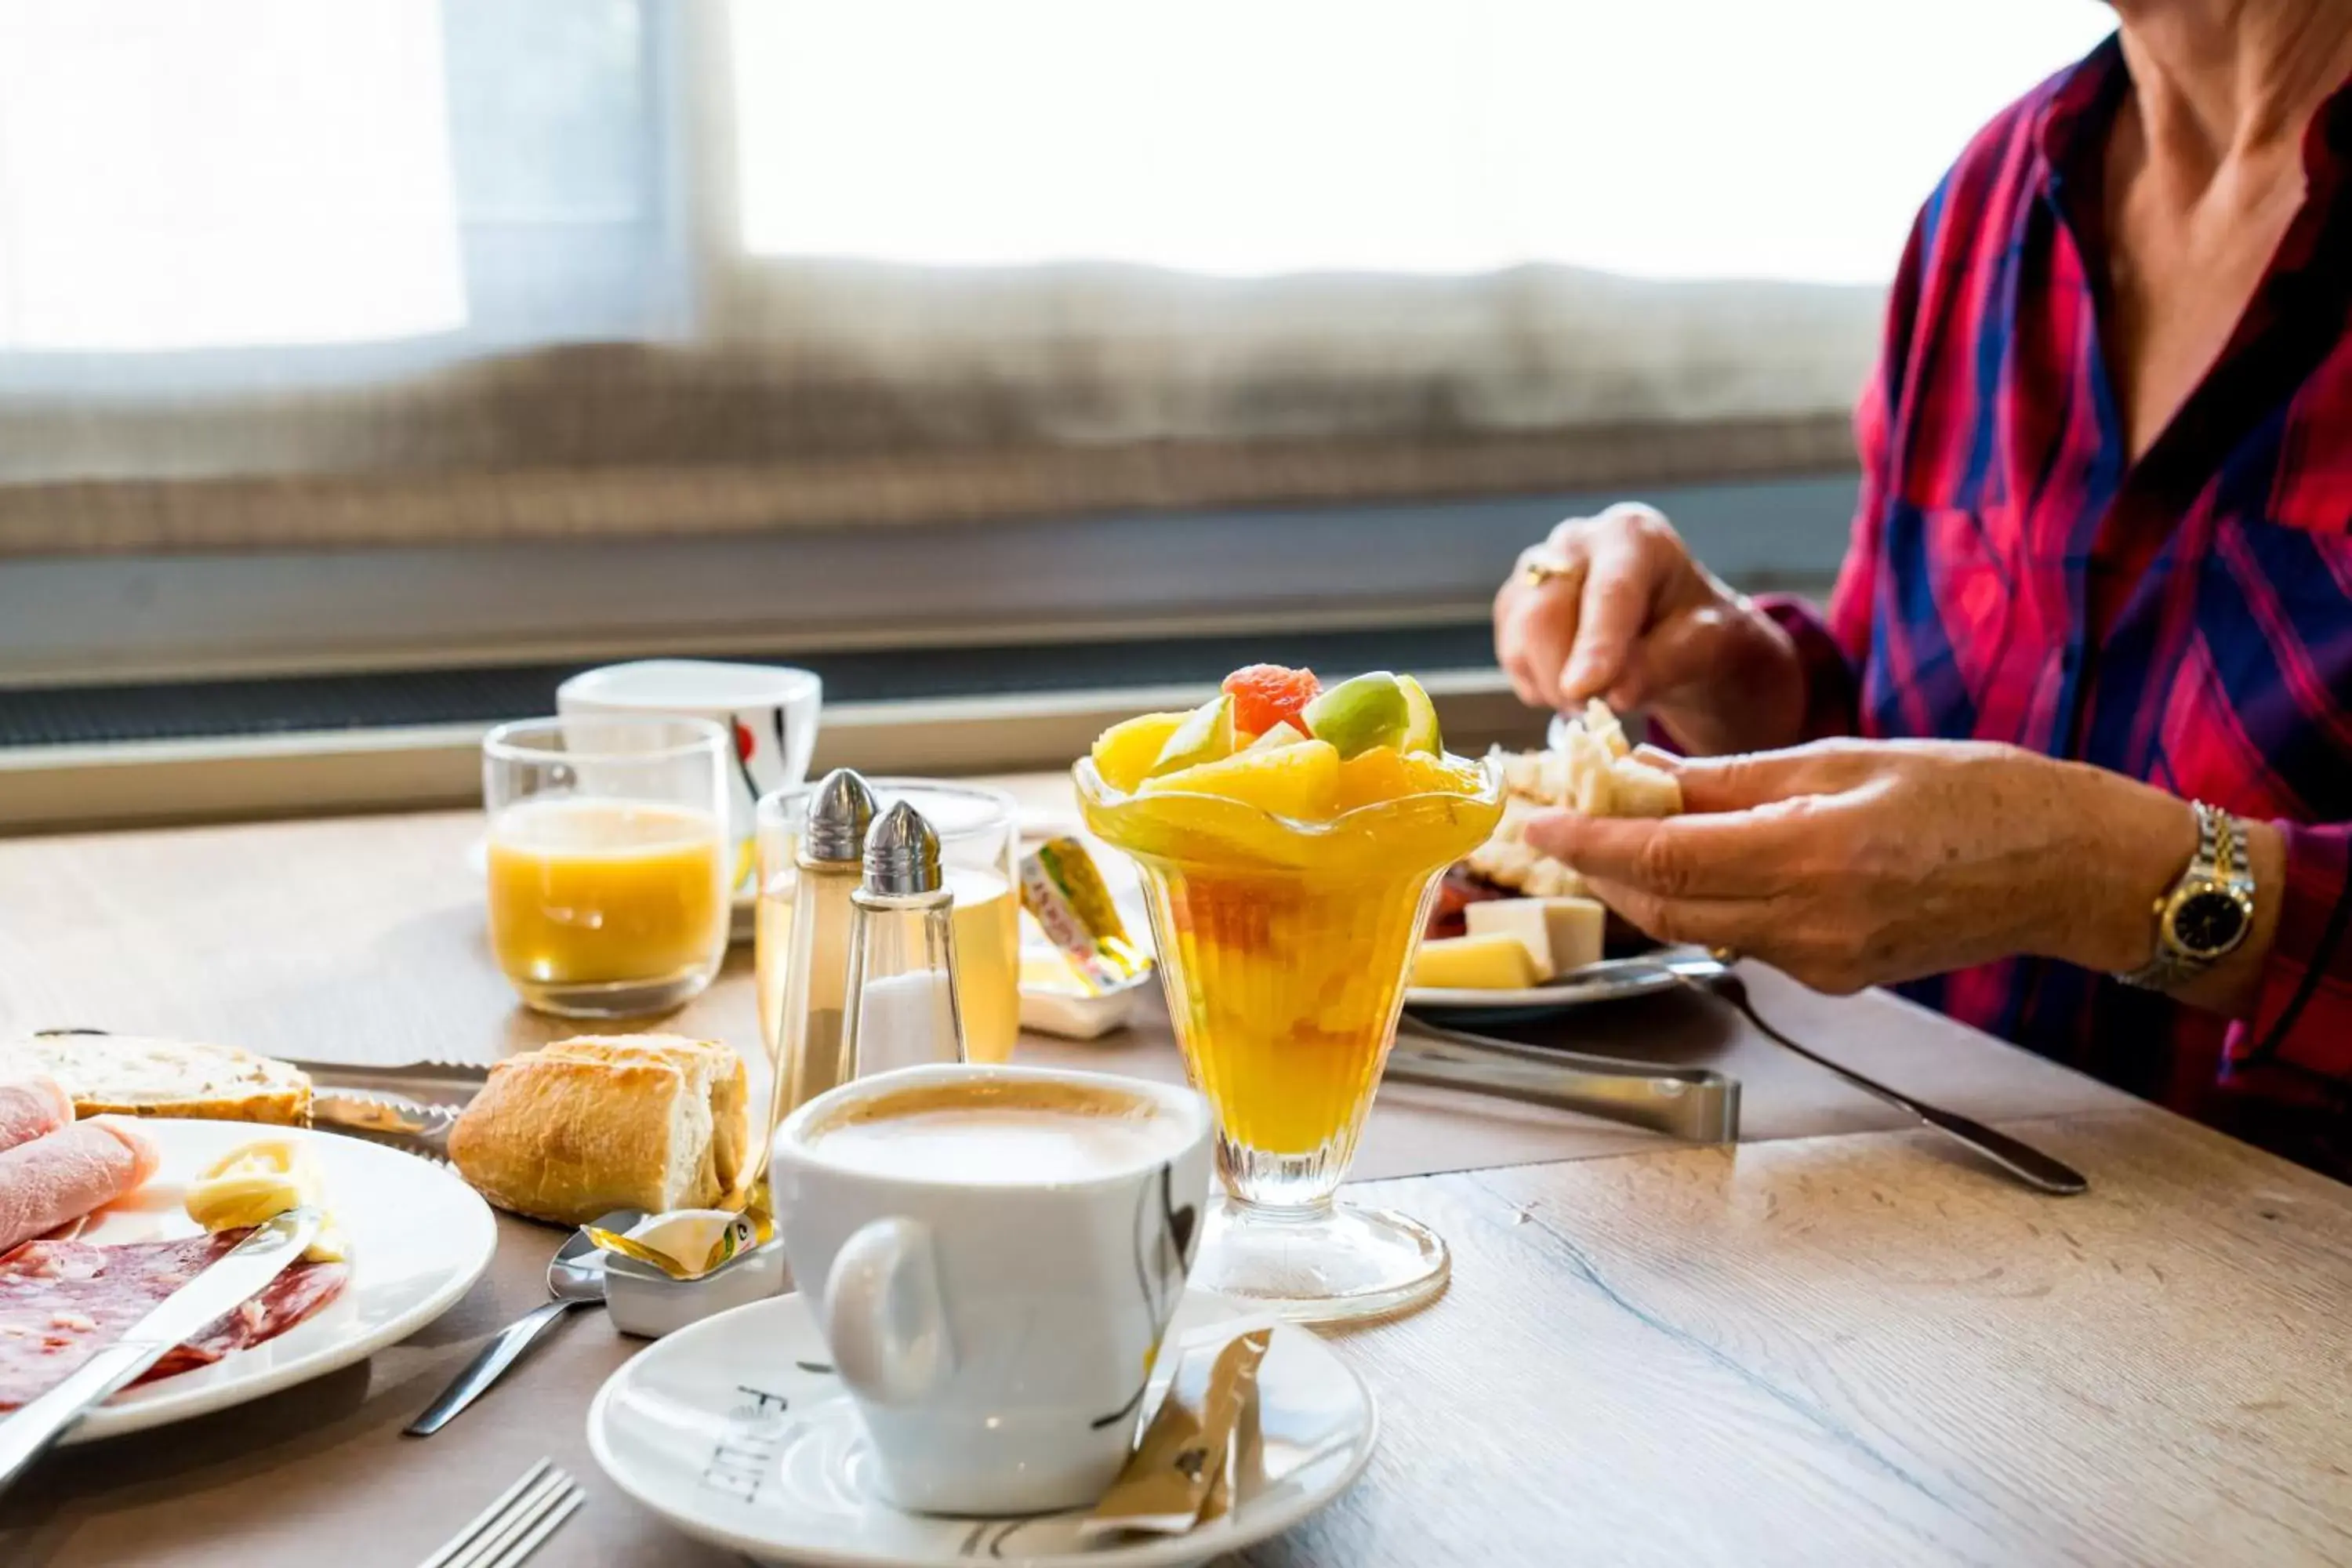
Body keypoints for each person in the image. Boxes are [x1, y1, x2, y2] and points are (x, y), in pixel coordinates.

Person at [1491, 1, 2352, 1177]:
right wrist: (1742, 680)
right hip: (1941, 1217)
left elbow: (2019, 848)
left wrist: (2109, 878)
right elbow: (1920, 764)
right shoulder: (1991, 202)